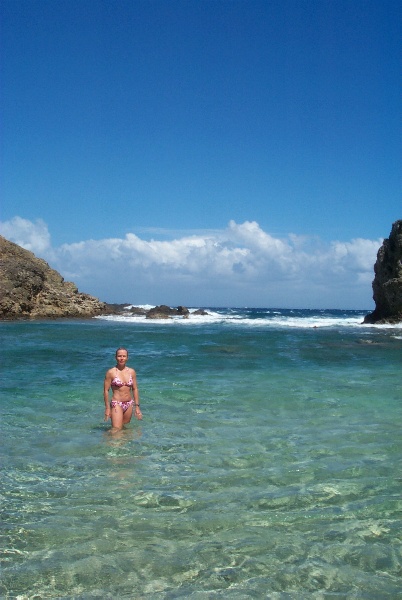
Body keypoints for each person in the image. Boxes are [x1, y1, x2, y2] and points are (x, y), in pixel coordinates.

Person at [104, 347, 142, 430]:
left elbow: (135, 389)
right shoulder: (111, 372)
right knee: (116, 430)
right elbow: (106, 391)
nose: (121, 358)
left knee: (124, 429)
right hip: (116, 404)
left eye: (124, 356)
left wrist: (137, 407)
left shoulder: (131, 372)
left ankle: (109, 438)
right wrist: (107, 409)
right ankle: (108, 441)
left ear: (127, 358)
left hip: (129, 404)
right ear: (115, 357)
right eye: (119, 356)